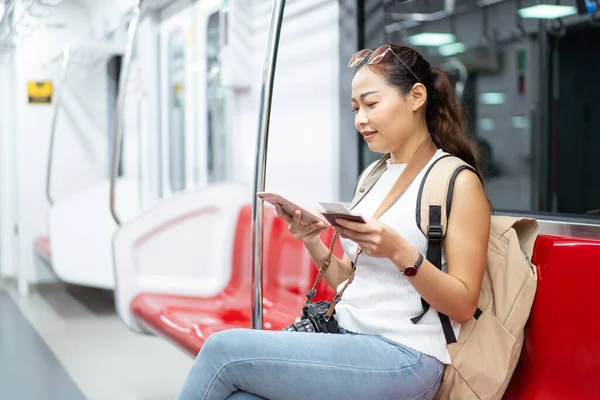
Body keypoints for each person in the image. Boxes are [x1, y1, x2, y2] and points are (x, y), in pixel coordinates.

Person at [175, 44, 491, 400]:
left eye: (371, 104)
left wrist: (400, 251)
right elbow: (353, 284)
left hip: (407, 356)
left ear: (416, 97)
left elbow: (464, 304)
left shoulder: (456, 181)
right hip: (348, 337)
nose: (360, 119)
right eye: (356, 108)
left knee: (222, 351)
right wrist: (313, 241)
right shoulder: (374, 176)